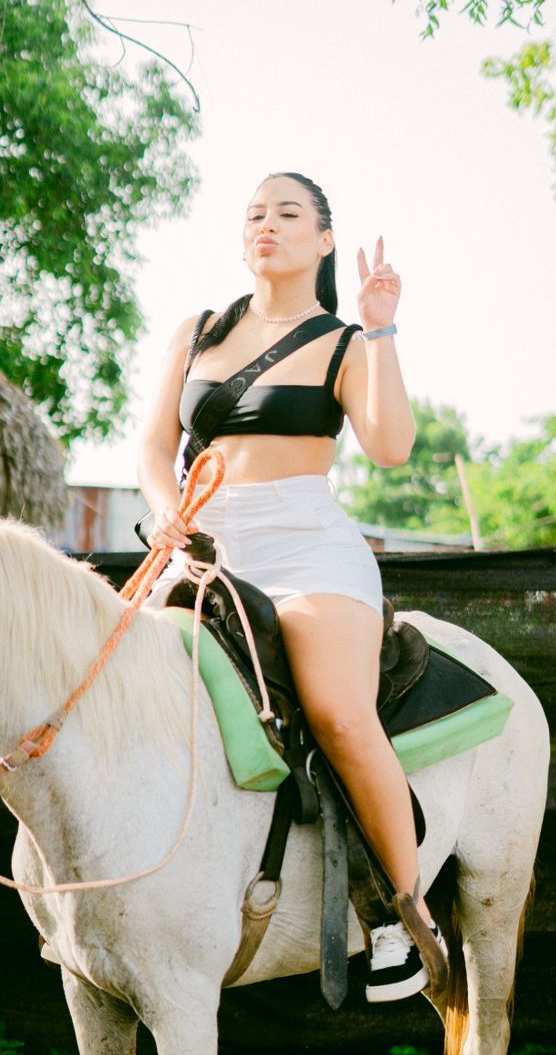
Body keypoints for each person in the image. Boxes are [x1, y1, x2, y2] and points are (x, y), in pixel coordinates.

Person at [137, 170, 444, 1002]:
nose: (265, 225)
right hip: (201, 544)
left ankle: (404, 915)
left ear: (324, 239)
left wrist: (381, 329)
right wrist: (167, 515)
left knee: (339, 712)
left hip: (307, 546)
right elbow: (154, 447)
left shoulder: (344, 343)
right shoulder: (198, 331)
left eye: (286, 213)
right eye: (254, 215)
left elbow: (390, 446)